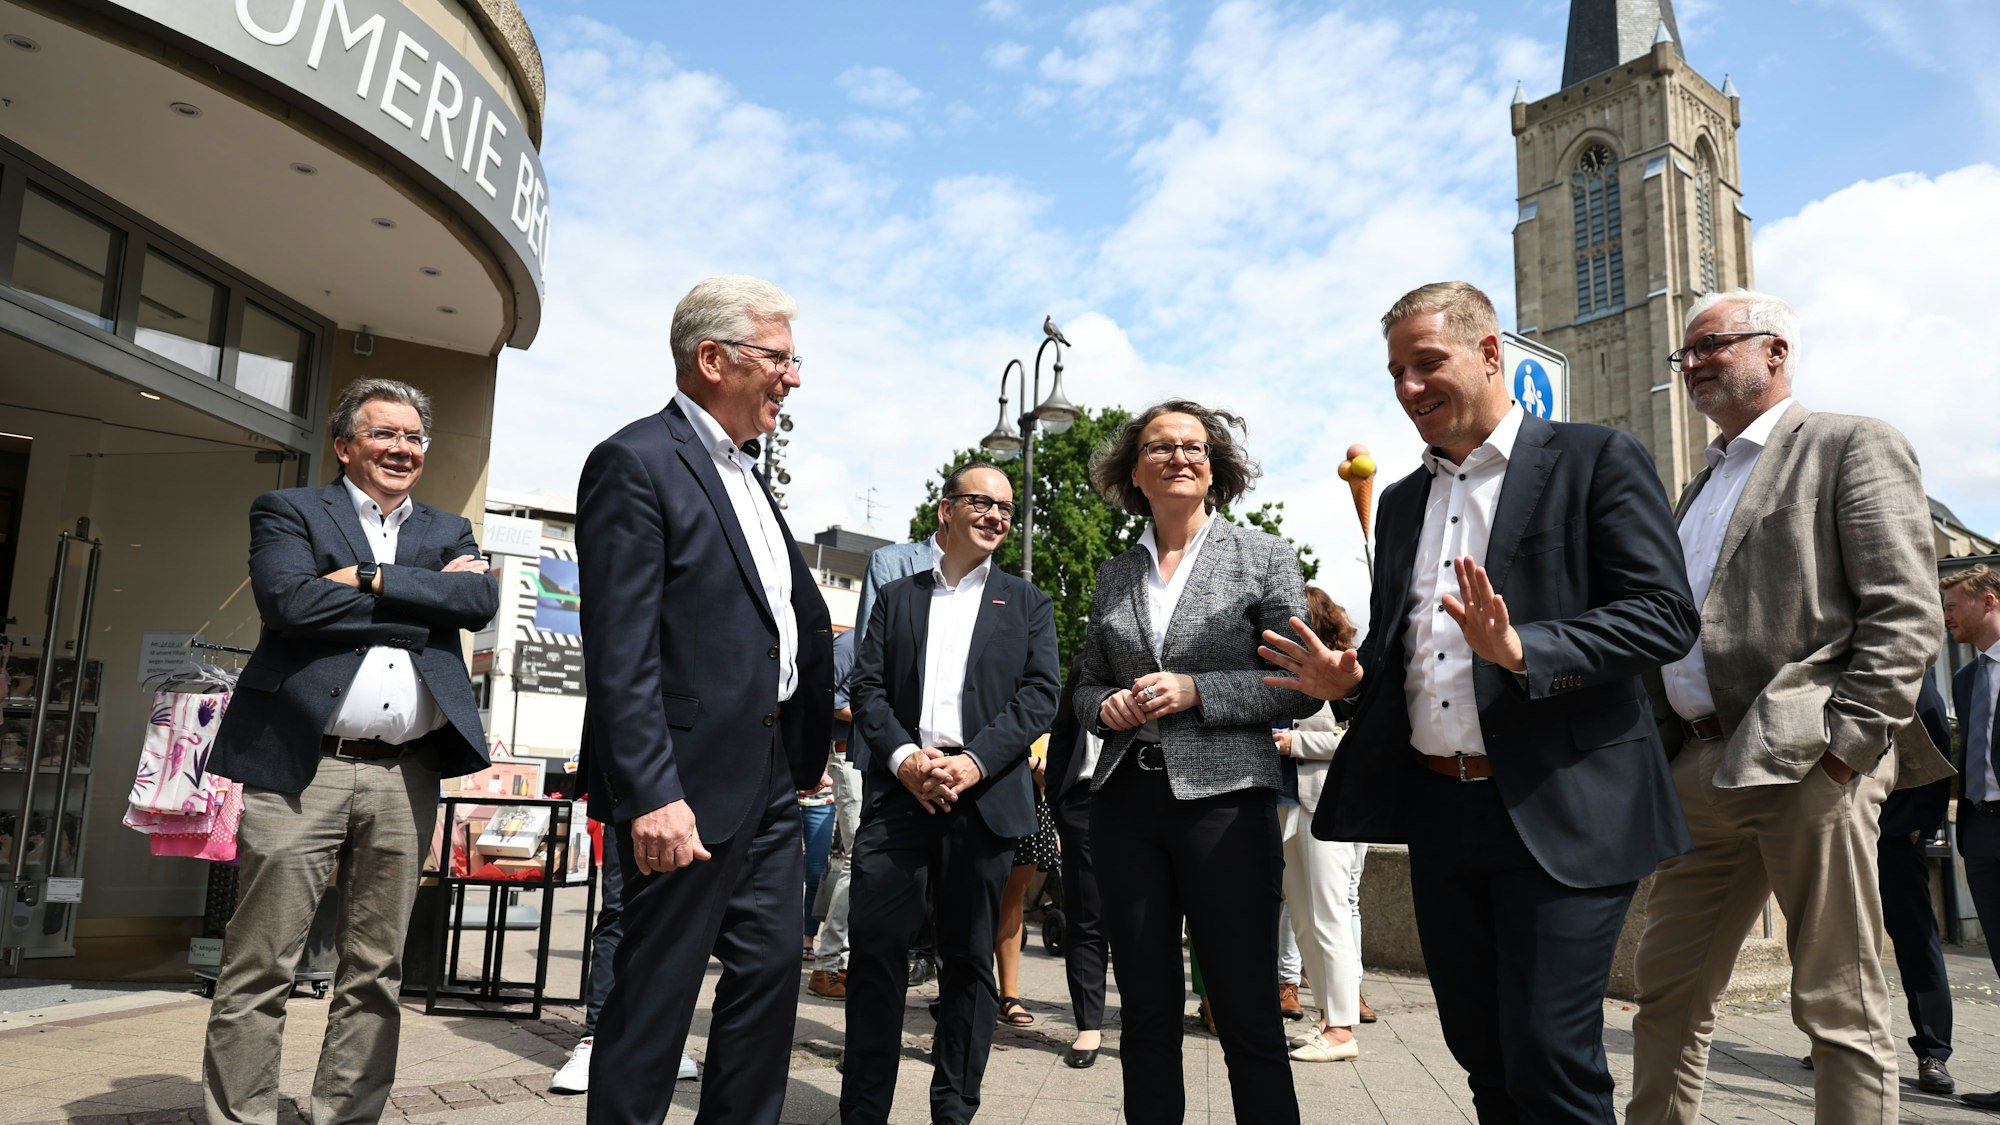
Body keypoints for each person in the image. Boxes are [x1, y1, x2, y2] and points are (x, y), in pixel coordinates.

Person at [1263, 281, 1698, 1125]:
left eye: (1427, 363)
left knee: (1550, 1056)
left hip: (1564, 806)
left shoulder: (1596, 458)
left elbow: (1664, 615)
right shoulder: (1401, 502)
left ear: (1490, 352)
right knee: (1482, 1053)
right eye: (1396, 372)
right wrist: (1351, 684)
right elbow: (1405, 653)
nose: (1408, 387)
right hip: (1442, 813)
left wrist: (1529, 648)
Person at [1620, 288, 1948, 1125]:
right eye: (1684, 352)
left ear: (1776, 351)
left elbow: (1906, 611)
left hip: (1808, 758)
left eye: (1712, 345)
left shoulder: (1850, 442)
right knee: (1666, 992)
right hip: (1699, 765)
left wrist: (1846, 751)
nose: (1692, 362)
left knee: (1838, 1003)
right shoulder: (1697, 486)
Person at [201, 378, 499, 1125]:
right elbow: (289, 602)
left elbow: (476, 602)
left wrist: (367, 578)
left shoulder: (448, 528)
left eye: (414, 437)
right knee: (262, 960)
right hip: (304, 767)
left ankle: (347, 1115)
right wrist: (421, 603)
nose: (402, 448)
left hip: (406, 775)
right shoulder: (290, 510)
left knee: (376, 968)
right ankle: (241, 1118)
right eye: (383, 434)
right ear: (343, 445)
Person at [575, 275, 835, 1125]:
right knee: (654, 1002)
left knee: (767, 985)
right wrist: (652, 792)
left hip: (769, 782)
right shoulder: (636, 462)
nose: (793, 376)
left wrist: (801, 748)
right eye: (779, 357)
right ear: (713, 358)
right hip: (682, 788)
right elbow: (621, 652)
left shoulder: (750, 475)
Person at [1075, 399, 1321, 1125]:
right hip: (1126, 804)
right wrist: (1106, 706)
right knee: (1145, 1012)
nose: (1179, 456)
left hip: (1227, 805)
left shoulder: (1264, 556)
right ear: (1134, 471)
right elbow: (1085, 682)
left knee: (1245, 1008)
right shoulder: (1115, 573)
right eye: (1160, 446)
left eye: (1194, 446)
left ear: (1215, 468)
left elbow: (1299, 683)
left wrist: (1197, 690)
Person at [839, 462, 1061, 1125]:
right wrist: (906, 759)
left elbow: (1040, 696)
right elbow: (867, 689)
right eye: (982, 502)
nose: (997, 516)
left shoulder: (1027, 603)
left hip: (982, 801)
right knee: (876, 957)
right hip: (900, 797)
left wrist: (974, 762)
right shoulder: (898, 597)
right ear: (947, 509)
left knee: (968, 963)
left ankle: (954, 1111)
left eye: (1006, 508)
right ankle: (863, 1112)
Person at [1273, 586, 1365, 1063]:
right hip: (1286, 804)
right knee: (1305, 920)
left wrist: (1296, 744)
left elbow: (1354, 739)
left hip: (1324, 805)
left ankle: (1343, 1029)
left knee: (1329, 916)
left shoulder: (1343, 673)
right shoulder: (1286, 672)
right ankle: (1329, 1020)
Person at [548, 823, 701, 1093]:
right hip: (629, 807)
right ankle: (595, 1039)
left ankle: (663, 1041)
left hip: (699, 809)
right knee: (618, 913)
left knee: (676, 918)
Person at [1944, 565, 2000, 1110]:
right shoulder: (1964, 679)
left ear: (1988, 602)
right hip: (1982, 832)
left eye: (1953, 606)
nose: (1946, 617)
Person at [1045, 657, 1110, 1068]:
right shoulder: (1084, 665)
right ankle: (1089, 1024)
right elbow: (1062, 731)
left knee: (1147, 916)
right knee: (1086, 916)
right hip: (1083, 803)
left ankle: (1150, 1019)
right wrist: (1059, 800)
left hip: (1144, 798)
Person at [808, 627, 860, 999]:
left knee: (859, 860)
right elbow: (827, 698)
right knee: (857, 859)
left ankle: (838, 963)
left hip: (866, 760)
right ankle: (826, 965)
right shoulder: (851, 643)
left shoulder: (881, 639)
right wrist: (876, 715)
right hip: (846, 755)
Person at [995, 749, 1058, 1028]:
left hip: (1027, 798)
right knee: (968, 896)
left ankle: (1009, 994)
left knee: (1013, 898)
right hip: (977, 790)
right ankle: (968, 989)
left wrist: (1035, 764)